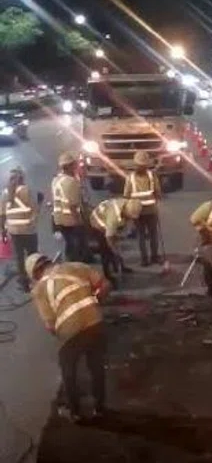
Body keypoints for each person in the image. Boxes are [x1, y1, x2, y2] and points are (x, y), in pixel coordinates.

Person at [27, 252, 109, 422]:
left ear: (35, 274)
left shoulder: (39, 289)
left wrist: (62, 334)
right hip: (95, 321)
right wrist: (94, 303)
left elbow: (50, 324)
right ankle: (100, 408)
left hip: (71, 330)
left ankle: (74, 412)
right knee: (96, 366)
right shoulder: (75, 266)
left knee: (68, 369)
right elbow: (105, 285)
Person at [88, 198, 142, 286]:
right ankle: (107, 275)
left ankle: (120, 267)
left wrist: (120, 236)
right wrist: (114, 250)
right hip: (98, 224)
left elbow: (125, 224)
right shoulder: (113, 217)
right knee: (106, 251)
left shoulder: (129, 205)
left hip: (111, 221)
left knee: (115, 247)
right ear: (125, 212)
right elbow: (109, 237)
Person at [0, 167, 38, 292]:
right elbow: (34, 209)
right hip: (29, 230)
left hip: (14, 231)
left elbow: (2, 214)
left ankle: (24, 284)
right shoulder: (27, 190)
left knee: (19, 258)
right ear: (22, 178)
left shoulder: (5, 193)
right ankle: (36, 281)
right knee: (33, 256)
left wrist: (3, 231)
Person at [123, 151, 162, 267]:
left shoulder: (130, 178)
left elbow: (126, 195)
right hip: (151, 210)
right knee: (153, 234)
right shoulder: (152, 176)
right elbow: (158, 192)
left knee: (141, 236)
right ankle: (154, 257)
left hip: (137, 212)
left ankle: (144, 260)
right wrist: (156, 199)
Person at [51, 153, 86, 262]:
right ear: (70, 166)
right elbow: (73, 205)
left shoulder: (55, 180)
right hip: (70, 220)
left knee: (68, 244)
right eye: (74, 165)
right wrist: (79, 221)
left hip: (58, 219)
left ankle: (69, 262)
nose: (76, 167)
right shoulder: (71, 182)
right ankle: (74, 266)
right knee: (75, 246)